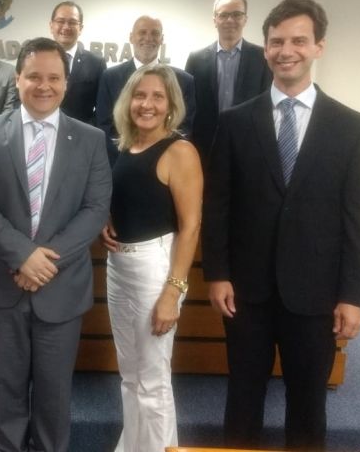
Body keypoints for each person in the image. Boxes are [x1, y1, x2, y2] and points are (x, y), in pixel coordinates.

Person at [203, 0, 360, 450]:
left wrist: (353, 296)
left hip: (317, 294)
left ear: (319, 46)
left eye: (299, 41)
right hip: (246, 292)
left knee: (308, 405)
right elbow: (218, 205)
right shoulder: (235, 123)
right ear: (265, 48)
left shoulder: (352, 128)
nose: (287, 51)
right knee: (243, 397)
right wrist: (218, 273)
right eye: (277, 41)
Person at [0, 37, 112, 452]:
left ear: (66, 83)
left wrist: (44, 263)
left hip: (61, 286)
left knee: (54, 392)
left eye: (54, 78)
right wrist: (22, 256)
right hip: (1, 283)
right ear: (17, 79)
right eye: (34, 76)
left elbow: (95, 209)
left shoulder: (90, 139)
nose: (44, 86)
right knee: (5, 388)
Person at [100, 64, 202, 452]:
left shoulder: (180, 151)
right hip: (119, 268)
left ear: (171, 105)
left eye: (158, 97)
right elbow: (129, 199)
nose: (147, 104)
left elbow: (190, 227)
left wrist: (172, 292)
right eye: (140, 95)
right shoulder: (124, 147)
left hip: (154, 271)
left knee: (153, 382)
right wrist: (106, 219)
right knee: (130, 377)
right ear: (128, 101)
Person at [184, 0, 271, 163]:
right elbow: (187, 105)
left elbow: (267, 104)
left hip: (248, 145)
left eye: (237, 14)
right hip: (204, 146)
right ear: (215, 20)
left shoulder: (263, 58)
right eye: (223, 15)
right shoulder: (196, 59)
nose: (230, 20)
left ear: (245, 19)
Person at [96, 15, 196, 165]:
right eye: (142, 32)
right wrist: (129, 157)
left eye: (155, 33)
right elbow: (104, 124)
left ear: (162, 39)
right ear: (131, 37)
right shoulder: (109, 77)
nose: (148, 38)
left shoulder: (184, 80)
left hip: (164, 164)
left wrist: (156, 158)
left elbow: (184, 126)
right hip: (118, 163)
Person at [49, 1, 106, 124]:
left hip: (81, 132)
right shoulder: (37, 60)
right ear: (51, 26)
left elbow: (102, 109)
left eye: (72, 22)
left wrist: (86, 131)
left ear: (80, 28)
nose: (66, 27)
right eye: (60, 21)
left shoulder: (96, 64)